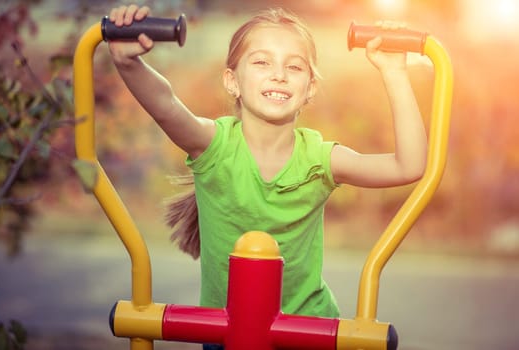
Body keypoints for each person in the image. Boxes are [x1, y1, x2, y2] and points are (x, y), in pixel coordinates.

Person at [108, 4, 427, 349]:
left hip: (307, 331)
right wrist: (128, 63)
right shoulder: (214, 146)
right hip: (227, 331)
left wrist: (395, 72)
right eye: (262, 62)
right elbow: (165, 104)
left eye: (294, 66)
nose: (279, 74)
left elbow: (407, 166)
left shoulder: (320, 159)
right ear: (233, 81)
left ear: (310, 88)